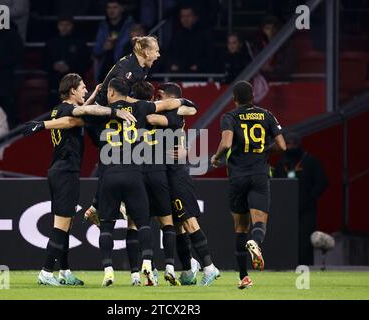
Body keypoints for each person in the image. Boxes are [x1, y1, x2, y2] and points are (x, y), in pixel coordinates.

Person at [25, 73, 135, 286]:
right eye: (83, 87)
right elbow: (81, 112)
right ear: (72, 90)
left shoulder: (58, 108)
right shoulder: (68, 112)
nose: (86, 90)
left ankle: (64, 271)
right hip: (66, 172)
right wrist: (115, 111)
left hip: (58, 170)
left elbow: (78, 112)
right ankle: (46, 272)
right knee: (62, 224)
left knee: (66, 224)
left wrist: (93, 95)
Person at [87, 77, 196, 286]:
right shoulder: (142, 108)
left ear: (110, 93)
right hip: (137, 173)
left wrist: (97, 100)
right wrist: (184, 102)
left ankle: (116, 272)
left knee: (110, 226)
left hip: (109, 174)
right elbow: (170, 106)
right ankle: (154, 263)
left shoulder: (99, 113)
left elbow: (79, 112)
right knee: (148, 222)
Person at [211, 80, 286, 289]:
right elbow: (282, 145)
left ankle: (243, 276)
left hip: (237, 177)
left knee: (240, 227)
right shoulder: (266, 115)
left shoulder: (230, 116)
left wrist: (216, 157)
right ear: (253, 97)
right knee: (259, 223)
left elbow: (226, 143)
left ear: (234, 100)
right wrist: (264, 150)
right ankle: (257, 243)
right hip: (260, 175)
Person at [147, 82, 220, 286]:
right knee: (177, 227)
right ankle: (188, 270)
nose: (155, 99)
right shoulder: (177, 112)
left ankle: (209, 267)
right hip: (167, 175)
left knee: (188, 222)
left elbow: (151, 116)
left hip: (177, 175)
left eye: (158, 96)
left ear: (166, 97)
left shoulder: (173, 114)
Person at [273, 132, 328, 265]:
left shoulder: (310, 161)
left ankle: (305, 273)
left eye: (294, 144)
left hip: (306, 210)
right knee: (285, 242)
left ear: (299, 145)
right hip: (285, 211)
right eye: (288, 144)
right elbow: (274, 185)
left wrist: (311, 198)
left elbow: (322, 183)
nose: (291, 147)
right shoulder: (281, 164)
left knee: (304, 244)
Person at [43, 15, 90, 109]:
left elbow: (86, 63)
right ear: (58, 26)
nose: (64, 27)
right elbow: (43, 63)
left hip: (75, 86)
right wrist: (53, 66)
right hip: (55, 84)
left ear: (72, 26)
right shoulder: (51, 43)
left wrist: (70, 67)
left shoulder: (80, 43)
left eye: (67, 25)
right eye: (61, 25)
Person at [93, 0, 134, 82]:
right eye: (109, 7)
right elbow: (96, 50)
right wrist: (103, 48)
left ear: (122, 9)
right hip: (105, 69)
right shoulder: (103, 25)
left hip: (123, 68)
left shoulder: (130, 25)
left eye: (115, 7)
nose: (111, 10)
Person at [167, 5, 213, 73]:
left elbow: (210, 56)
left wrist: (199, 66)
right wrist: (172, 64)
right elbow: (169, 54)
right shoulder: (176, 36)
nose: (185, 19)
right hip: (178, 75)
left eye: (188, 16)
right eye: (182, 16)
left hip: (199, 76)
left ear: (195, 17)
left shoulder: (204, 35)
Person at [254, 16, 296, 80]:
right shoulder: (259, 46)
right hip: (263, 81)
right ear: (263, 30)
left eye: (273, 28)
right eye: (267, 28)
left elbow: (288, 68)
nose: (271, 31)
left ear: (278, 29)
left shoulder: (287, 45)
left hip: (281, 80)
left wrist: (271, 68)